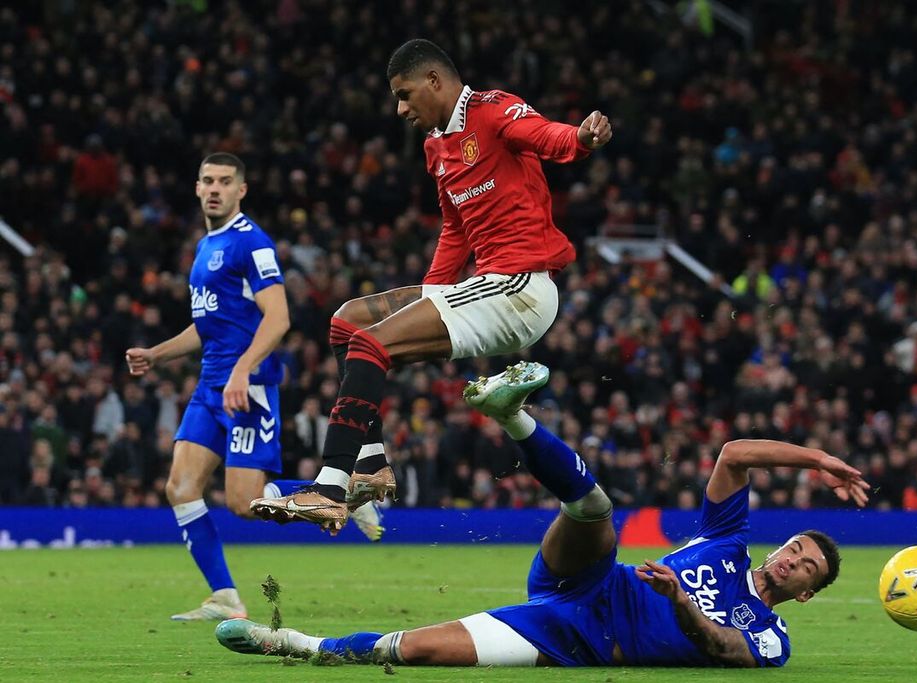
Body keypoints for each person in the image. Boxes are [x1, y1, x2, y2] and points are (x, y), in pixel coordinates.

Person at [219, 361, 870, 667]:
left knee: (412, 648)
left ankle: (295, 643)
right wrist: (817, 458)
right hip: (592, 580)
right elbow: (735, 452)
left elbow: (724, 648)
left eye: (805, 564)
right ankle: (512, 413)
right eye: (796, 546)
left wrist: (678, 601)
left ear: (806, 592)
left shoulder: (772, 636)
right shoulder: (729, 539)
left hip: (576, 636)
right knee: (594, 510)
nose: (792, 557)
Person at [250, 39, 613, 534]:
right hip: (489, 284)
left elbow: (543, 134)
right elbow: (455, 230)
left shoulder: (493, 109)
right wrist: (430, 297)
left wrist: (582, 138)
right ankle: (372, 464)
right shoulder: (436, 147)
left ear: (435, 81)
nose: (400, 108)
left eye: (404, 94)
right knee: (348, 322)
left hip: (521, 287)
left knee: (370, 342)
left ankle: (330, 489)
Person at [125, 153, 381, 621]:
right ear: (198, 188)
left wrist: (243, 370)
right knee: (180, 487)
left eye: (225, 181)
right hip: (211, 388)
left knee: (244, 502)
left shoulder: (252, 243)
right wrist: (156, 354)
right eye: (207, 180)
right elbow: (207, 326)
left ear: (241, 189)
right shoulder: (206, 247)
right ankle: (225, 596)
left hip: (249, 387)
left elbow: (279, 317)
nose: (215, 188)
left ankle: (341, 491)